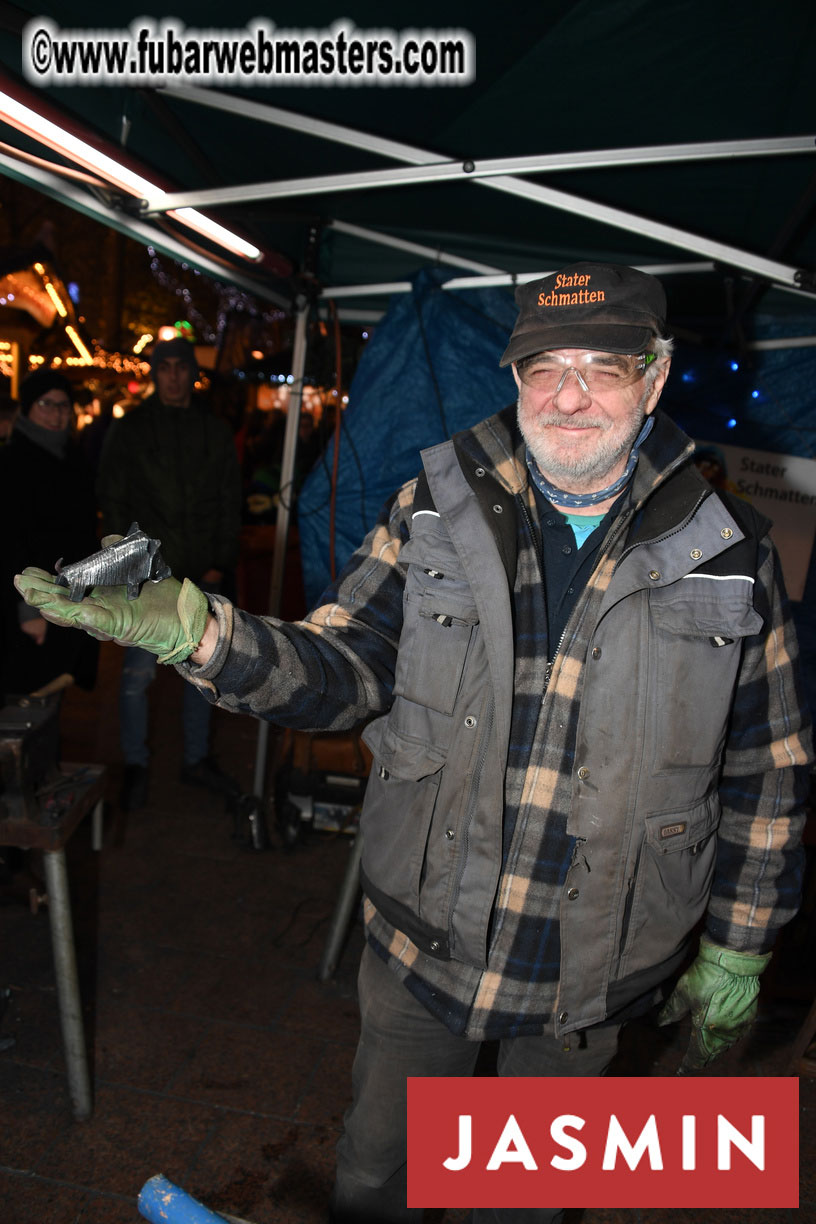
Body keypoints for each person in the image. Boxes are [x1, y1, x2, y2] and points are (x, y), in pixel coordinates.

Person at [16, 263, 811, 1223]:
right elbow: (344, 667)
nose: (568, 396)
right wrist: (207, 637)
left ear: (654, 377)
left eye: (602, 368)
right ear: (513, 376)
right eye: (543, 367)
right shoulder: (432, 507)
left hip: (592, 970)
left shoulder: (732, 549)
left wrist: (740, 943)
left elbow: (770, 767)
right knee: (376, 1181)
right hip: (422, 948)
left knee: (515, 1205)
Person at [95, 336, 242, 810]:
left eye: (182, 367)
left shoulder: (212, 431)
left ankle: (196, 758)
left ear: (191, 373)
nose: (174, 376)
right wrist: (125, 561)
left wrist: (221, 557)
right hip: (148, 575)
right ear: (155, 373)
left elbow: (228, 499)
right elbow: (113, 497)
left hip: (201, 571)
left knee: (203, 673)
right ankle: (135, 763)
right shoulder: (132, 430)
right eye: (166, 367)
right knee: (139, 675)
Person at [0, 369, 98, 699]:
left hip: (67, 595)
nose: (56, 414)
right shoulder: (12, 461)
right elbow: (9, 540)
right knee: (27, 697)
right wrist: (27, 609)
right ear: (28, 408)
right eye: (46, 404)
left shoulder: (73, 457)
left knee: (55, 689)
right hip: (28, 603)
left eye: (63, 405)